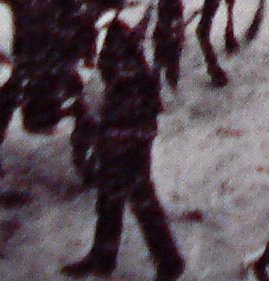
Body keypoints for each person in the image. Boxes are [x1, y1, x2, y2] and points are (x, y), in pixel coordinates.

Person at [64, 16, 186, 280]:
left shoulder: (121, 55)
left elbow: (118, 100)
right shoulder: (115, 45)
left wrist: (102, 126)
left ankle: (169, 262)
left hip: (128, 136)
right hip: (121, 134)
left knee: (139, 197)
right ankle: (104, 257)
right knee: (110, 196)